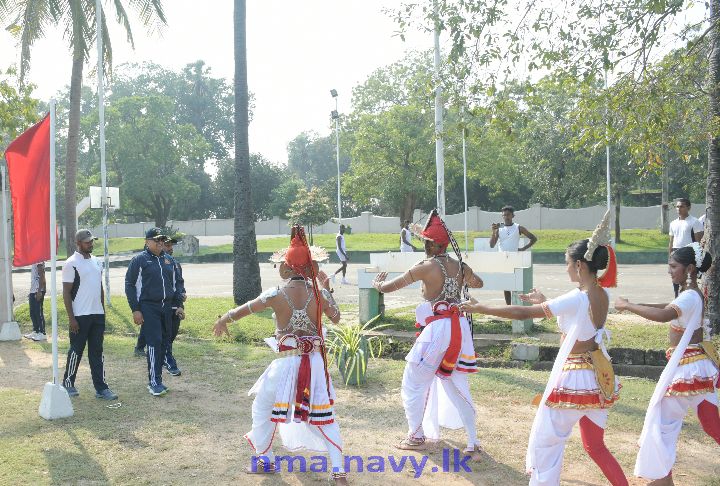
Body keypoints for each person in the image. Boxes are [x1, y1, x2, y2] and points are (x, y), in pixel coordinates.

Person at [460, 211, 628, 486]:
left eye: (567, 264)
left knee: (546, 444)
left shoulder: (577, 297)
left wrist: (482, 308)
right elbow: (579, 321)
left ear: (579, 266)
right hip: (599, 376)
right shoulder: (603, 294)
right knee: (596, 447)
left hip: (575, 378)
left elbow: (525, 313)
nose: (566, 269)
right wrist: (546, 301)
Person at [213, 226, 347, 484]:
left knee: (262, 408)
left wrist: (223, 320)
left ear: (287, 268)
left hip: (285, 364)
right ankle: (339, 471)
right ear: (311, 267)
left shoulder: (276, 294)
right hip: (314, 364)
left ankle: (266, 460)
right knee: (324, 417)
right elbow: (337, 317)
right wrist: (327, 288)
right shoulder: (320, 294)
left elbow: (243, 310)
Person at [372, 209, 485, 460]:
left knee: (414, 381)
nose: (423, 245)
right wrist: (463, 276)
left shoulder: (425, 267)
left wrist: (378, 285)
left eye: (426, 242)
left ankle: (416, 436)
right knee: (457, 383)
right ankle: (473, 441)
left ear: (435, 245)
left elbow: (391, 287)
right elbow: (479, 283)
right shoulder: (460, 266)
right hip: (459, 329)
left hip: (438, 329)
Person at [615, 243, 718, 484]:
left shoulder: (690, 296)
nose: (669, 271)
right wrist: (637, 304)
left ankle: (660, 480)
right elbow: (668, 307)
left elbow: (665, 315)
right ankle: (661, 479)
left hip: (688, 370)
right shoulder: (689, 294)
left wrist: (628, 306)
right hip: (694, 367)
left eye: (673, 266)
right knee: (709, 424)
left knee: (661, 426)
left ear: (689, 269)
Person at [125, 228, 185, 396]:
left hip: (167, 307)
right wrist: (136, 310)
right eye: (156, 240)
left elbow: (177, 284)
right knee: (154, 342)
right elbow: (130, 285)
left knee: (165, 342)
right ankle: (154, 382)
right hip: (148, 307)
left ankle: (158, 379)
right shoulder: (139, 260)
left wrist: (179, 305)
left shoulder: (169, 260)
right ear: (147, 241)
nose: (160, 243)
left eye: (161, 240)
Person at [61, 230, 118, 401]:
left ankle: (101, 388)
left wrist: (102, 311)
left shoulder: (96, 261)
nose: (91, 244)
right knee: (76, 351)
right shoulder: (71, 263)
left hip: (97, 314)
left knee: (97, 352)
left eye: (91, 241)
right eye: (87, 242)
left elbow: (99, 287)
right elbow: (66, 292)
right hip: (80, 315)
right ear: (78, 243)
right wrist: (71, 318)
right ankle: (68, 383)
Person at [489, 205, 538, 304]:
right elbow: (491, 245)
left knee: (516, 284)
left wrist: (523, 248)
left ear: (512, 216)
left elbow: (533, 238)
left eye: (508, 215)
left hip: (515, 259)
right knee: (506, 284)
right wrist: (493, 232)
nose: (506, 217)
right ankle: (509, 307)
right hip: (503, 259)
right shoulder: (499, 229)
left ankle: (517, 305)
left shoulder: (518, 227)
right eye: (504, 215)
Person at [668, 198, 704, 297]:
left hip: (689, 253)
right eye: (677, 207)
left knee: (689, 277)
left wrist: (698, 257)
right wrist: (670, 257)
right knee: (676, 276)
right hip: (676, 252)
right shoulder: (673, 223)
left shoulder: (695, 222)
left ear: (688, 208)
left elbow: (699, 242)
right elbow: (671, 242)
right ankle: (677, 296)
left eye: (682, 206)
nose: (679, 209)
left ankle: (689, 296)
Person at [24, 261, 47, 341]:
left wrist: (40, 291)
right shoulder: (34, 261)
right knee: (32, 312)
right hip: (33, 291)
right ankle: (36, 331)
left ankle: (42, 333)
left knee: (38, 312)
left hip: (38, 290)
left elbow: (42, 276)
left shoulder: (39, 261)